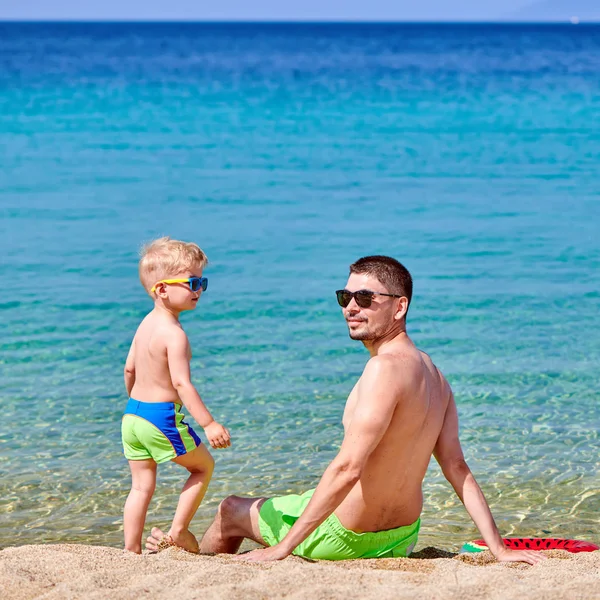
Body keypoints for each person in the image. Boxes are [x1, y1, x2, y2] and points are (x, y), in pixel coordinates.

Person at [147, 254, 544, 564]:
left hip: (344, 536)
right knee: (294, 499)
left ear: (399, 307)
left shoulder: (383, 369)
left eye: (365, 298)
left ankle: (202, 567)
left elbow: (347, 467)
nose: (351, 307)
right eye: (345, 297)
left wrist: (282, 549)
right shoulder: (436, 377)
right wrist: (500, 548)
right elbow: (456, 467)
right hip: (401, 538)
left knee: (232, 508)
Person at [121, 237, 231, 554]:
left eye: (202, 282)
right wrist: (208, 424)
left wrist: (137, 405)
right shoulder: (174, 334)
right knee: (203, 467)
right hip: (159, 416)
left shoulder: (144, 325)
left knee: (141, 486)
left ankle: (131, 549)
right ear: (162, 290)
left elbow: (129, 370)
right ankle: (177, 532)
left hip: (132, 416)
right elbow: (182, 384)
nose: (199, 289)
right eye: (192, 282)